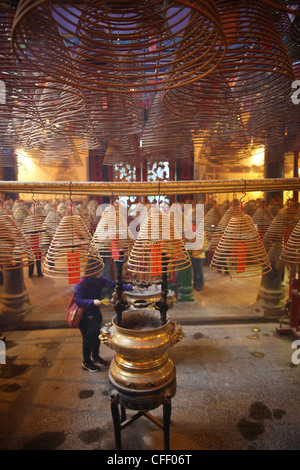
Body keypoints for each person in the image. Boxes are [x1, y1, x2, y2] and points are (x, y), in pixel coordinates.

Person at [74, 260, 133, 372]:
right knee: (87, 339)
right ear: (92, 271)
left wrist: (131, 288)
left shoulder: (99, 279)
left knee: (97, 336)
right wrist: (92, 302)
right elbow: (78, 300)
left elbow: (113, 284)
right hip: (85, 316)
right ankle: (86, 362)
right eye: (98, 272)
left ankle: (95, 356)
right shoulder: (81, 283)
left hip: (95, 313)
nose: (100, 274)